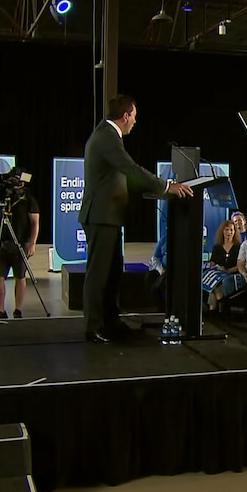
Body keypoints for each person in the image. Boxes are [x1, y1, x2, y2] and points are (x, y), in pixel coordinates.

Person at [79, 95, 192, 343]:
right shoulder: (107, 137)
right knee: (99, 274)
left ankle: (111, 320)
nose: (135, 122)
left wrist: (155, 188)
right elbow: (130, 168)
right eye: (135, 117)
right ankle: (93, 326)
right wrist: (166, 186)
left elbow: (123, 176)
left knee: (112, 272)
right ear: (126, 115)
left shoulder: (107, 136)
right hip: (101, 216)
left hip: (109, 216)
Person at [0, 181, 40, 319]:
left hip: (21, 243)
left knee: (20, 277)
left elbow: (35, 223)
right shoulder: (4, 199)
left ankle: (18, 309)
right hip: (3, 244)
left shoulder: (29, 200)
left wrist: (32, 244)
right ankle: (1, 310)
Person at [205, 220, 241, 312]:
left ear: (235, 232)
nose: (229, 232)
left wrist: (227, 271)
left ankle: (213, 309)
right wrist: (217, 268)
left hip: (232, 274)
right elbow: (212, 264)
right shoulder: (217, 247)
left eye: (231, 230)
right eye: (226, 230)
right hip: (218, 274)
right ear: (222, 231)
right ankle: (216, 307)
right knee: (213, 283)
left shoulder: (239, 247)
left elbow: (239, 266)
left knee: (217, 285)